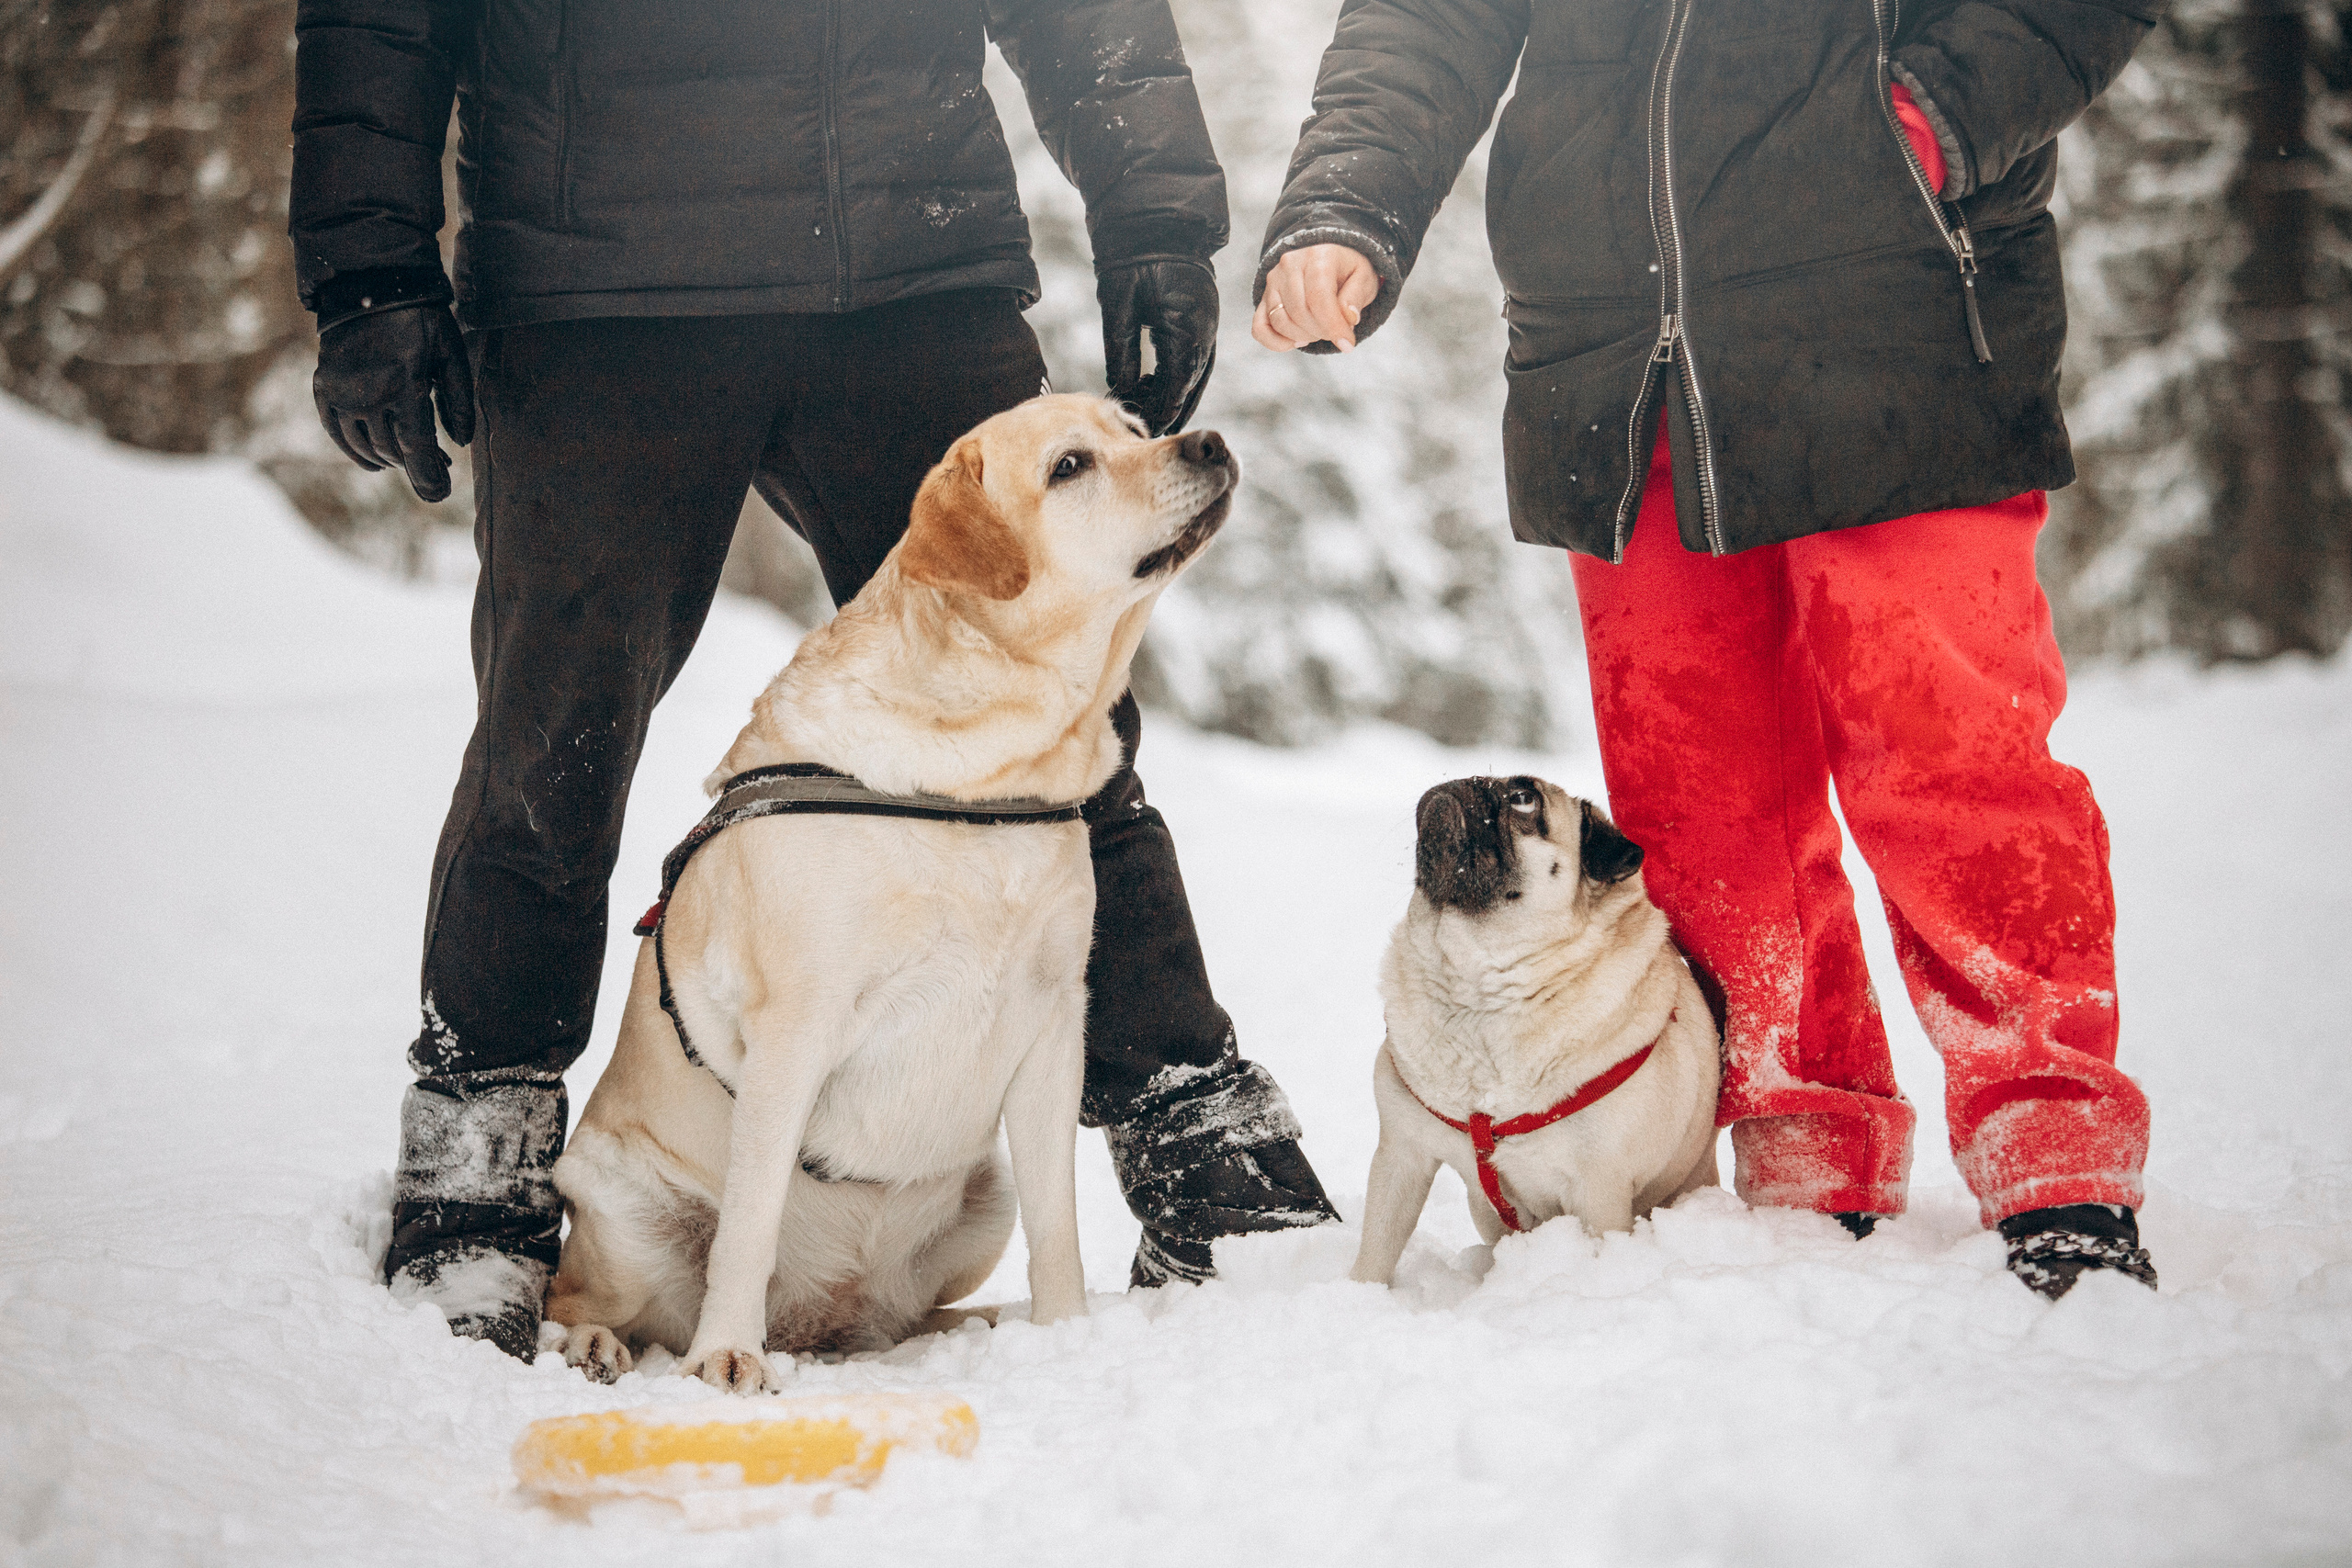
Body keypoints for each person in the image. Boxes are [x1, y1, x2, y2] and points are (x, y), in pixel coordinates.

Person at [289, 0, 1337, 1359]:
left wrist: (1155, 218)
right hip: (600, 289)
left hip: (909, 268)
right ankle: (476, 1171)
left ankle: (1196, 1133)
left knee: (1059, 730)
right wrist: (369, 272)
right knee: (553, 753)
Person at [1254, 0, 2162, 1298]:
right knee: (1703, 804)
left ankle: (2056, 1145)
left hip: (1887, 301)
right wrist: (1344, 205)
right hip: (1615, 348)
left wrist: (1922, 124)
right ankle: (1801, 1148)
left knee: (1951, 755)